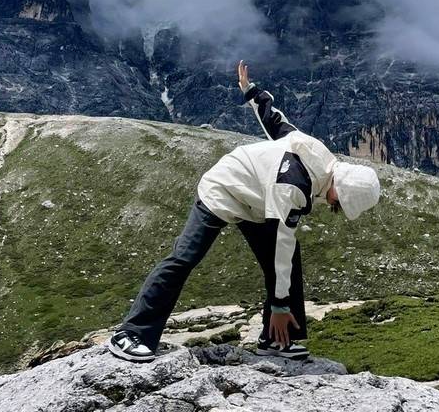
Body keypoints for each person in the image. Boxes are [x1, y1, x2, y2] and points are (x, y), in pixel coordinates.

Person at [108, 60, 381, 362]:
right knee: (184, 257)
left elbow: (278, 123)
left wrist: (251, 92)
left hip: (257, 198)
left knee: (290, 261)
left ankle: (278, 340)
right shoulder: (293, 184)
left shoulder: (319, 155)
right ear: (340, 188)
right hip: (224, 189)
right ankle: (132, 333)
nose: (334, 206)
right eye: (339, 202)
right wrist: (279, 307)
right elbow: (281, 243)